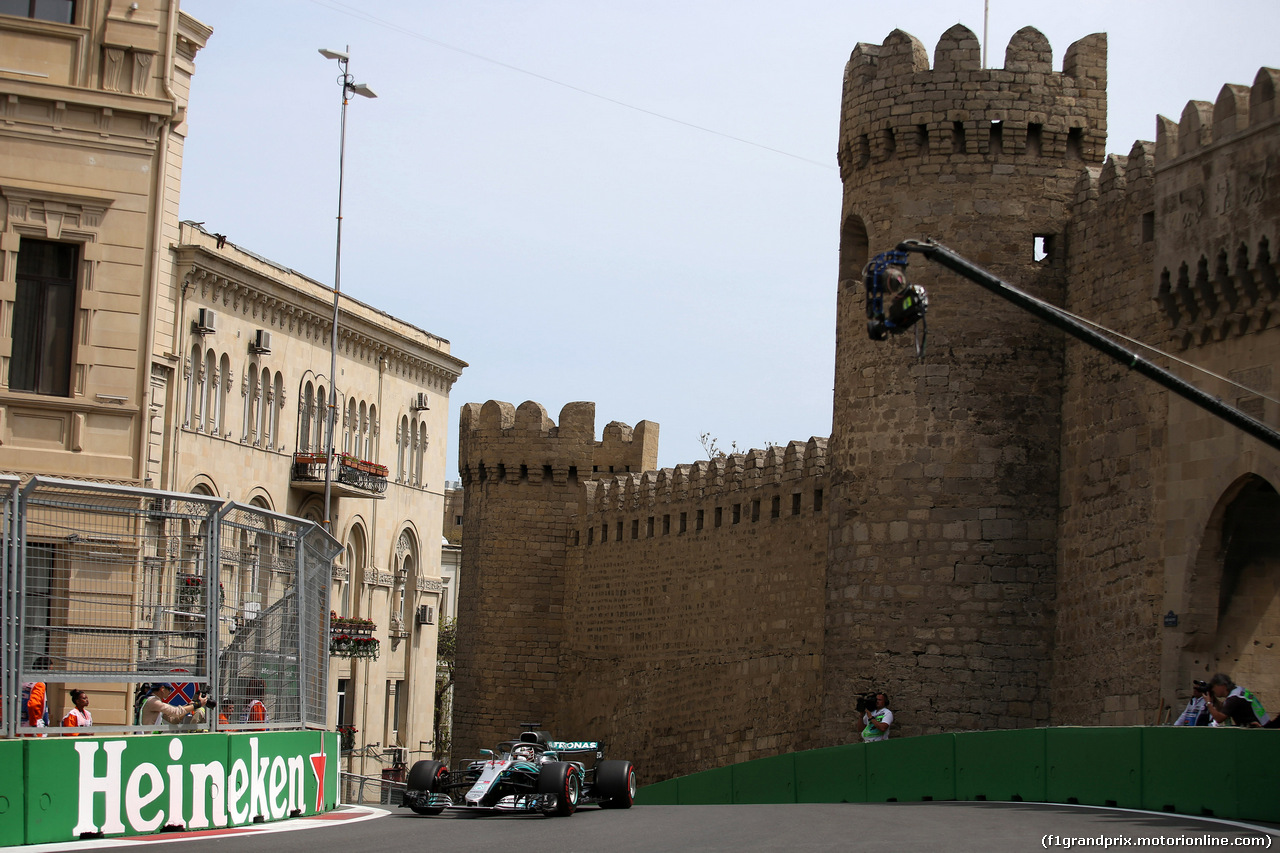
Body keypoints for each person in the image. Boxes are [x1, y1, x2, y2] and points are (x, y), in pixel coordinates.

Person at [1204, 673, 1275, 728]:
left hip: (1259, 729)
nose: (1213, 689)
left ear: (1222, 685)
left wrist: (1208, 703)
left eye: (1214, 687)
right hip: (1265, 725)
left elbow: (1219, 718)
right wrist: (1213, 699)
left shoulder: (1234, 698)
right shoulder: (1238, 691)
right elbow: (1224, 709)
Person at [140, 682, 208, 728]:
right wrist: (197, 704)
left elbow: (174, 720)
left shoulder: (154, 702)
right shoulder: (153, 702)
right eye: (169, 689)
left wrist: (188, 707)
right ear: (162, 689)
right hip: (146, 738)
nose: (170, 692)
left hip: (150, 737)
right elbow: (175, 712)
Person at [19, 656, 51, 736]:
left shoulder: (23, 682)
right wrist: (34, 723)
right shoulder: (39, 684)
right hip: (33, 728)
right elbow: (33, 704)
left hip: (18, 726)